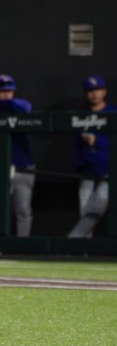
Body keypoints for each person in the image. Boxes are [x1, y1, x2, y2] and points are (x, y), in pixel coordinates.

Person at [0, 75, 35, 237]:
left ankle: (22, 246)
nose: (6, 94)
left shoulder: (20, 105)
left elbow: (24, 107)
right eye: (2, 91)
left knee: (23, 209)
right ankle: (0, 246)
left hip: (23, 165)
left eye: (9, 91)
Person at [68, 75, 115, 238]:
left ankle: (72, 241)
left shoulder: (113, 112)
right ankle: (83, 251)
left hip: (108, 170)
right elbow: (76, 145)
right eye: (90, 91)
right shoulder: (81, 115)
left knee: (97, 208)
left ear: (104, 92)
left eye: (97, 90)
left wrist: (97, 141)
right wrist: (77, 166)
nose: (93, 94)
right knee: (85, 210)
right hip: (87, 171)